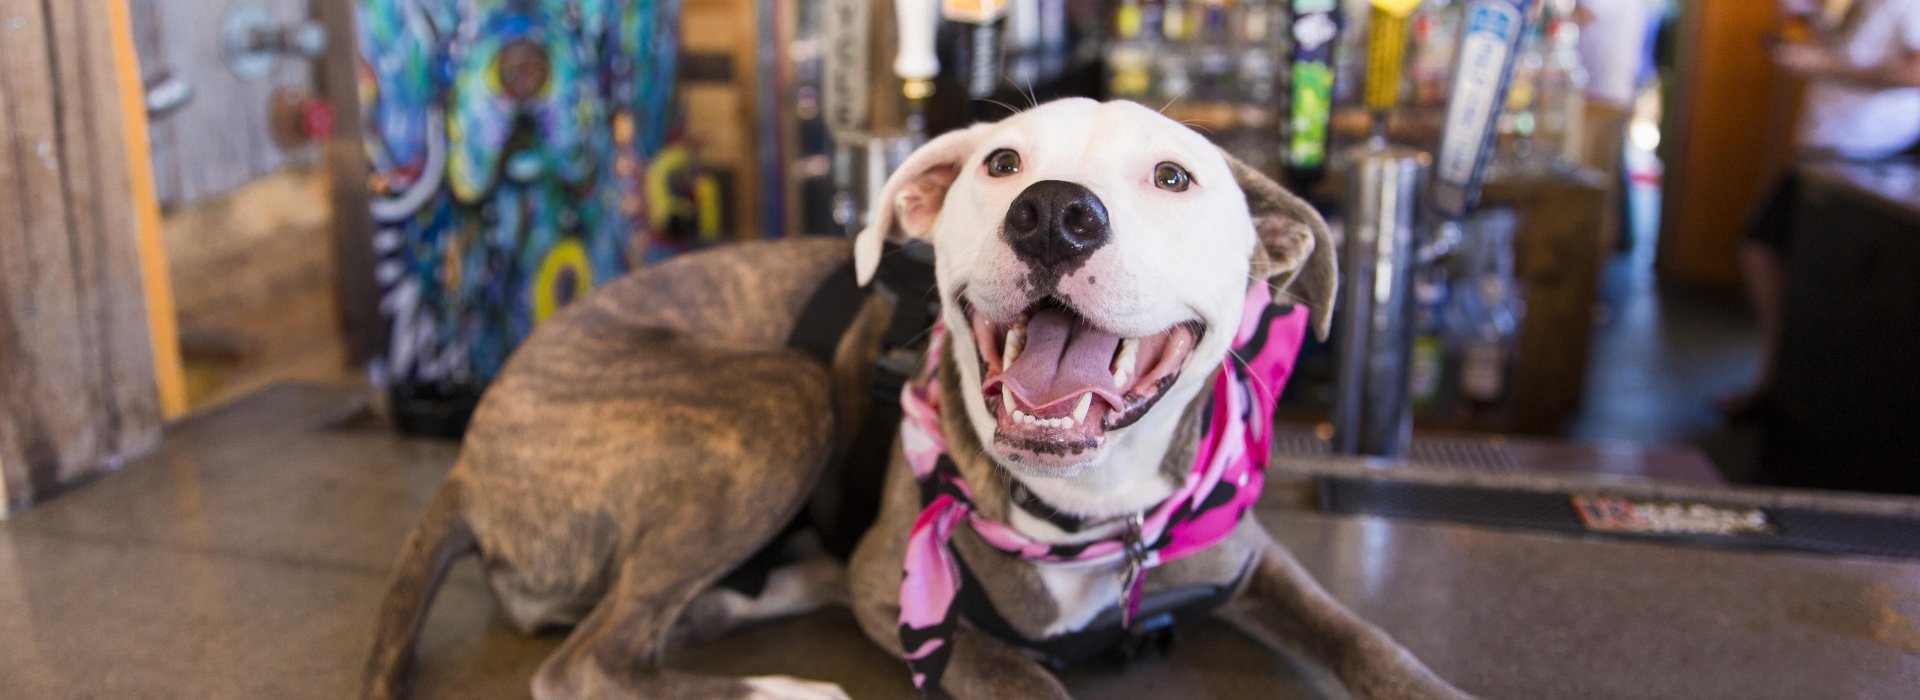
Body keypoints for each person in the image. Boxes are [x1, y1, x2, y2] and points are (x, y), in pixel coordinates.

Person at [1722, 0, 1920, 419]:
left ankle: (1793, 397)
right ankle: (1778, 384)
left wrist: (1823, 66)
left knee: (1813, 276)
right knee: (1771, 253)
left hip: (1862, 159)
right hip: (1828, 152)